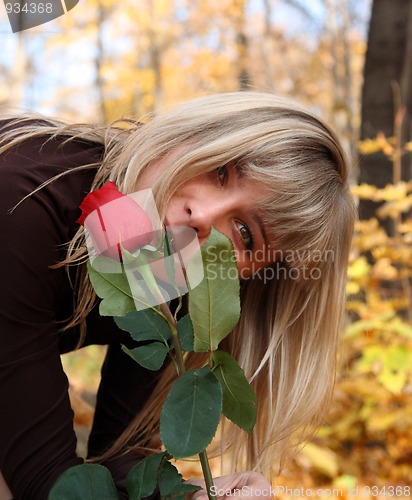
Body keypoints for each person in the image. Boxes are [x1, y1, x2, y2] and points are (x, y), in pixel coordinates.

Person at [0, 91, 356, 500]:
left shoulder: (170, 282)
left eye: (243, 234)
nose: (202, 216)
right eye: (220, 171)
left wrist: (193, 495)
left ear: (250, 277)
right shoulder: (21, 198)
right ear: (190, 135)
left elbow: (121, 458)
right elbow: (47, 483)